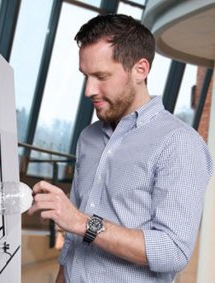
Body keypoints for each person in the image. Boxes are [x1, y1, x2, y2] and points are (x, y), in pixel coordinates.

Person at [27, 14, 213, 283]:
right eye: (85, 76)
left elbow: (172, 250)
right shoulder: (88, 137)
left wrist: (82, 222)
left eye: (101, 76)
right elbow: (73, 244)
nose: (89, 90)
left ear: (140, 70)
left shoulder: (179, 143)